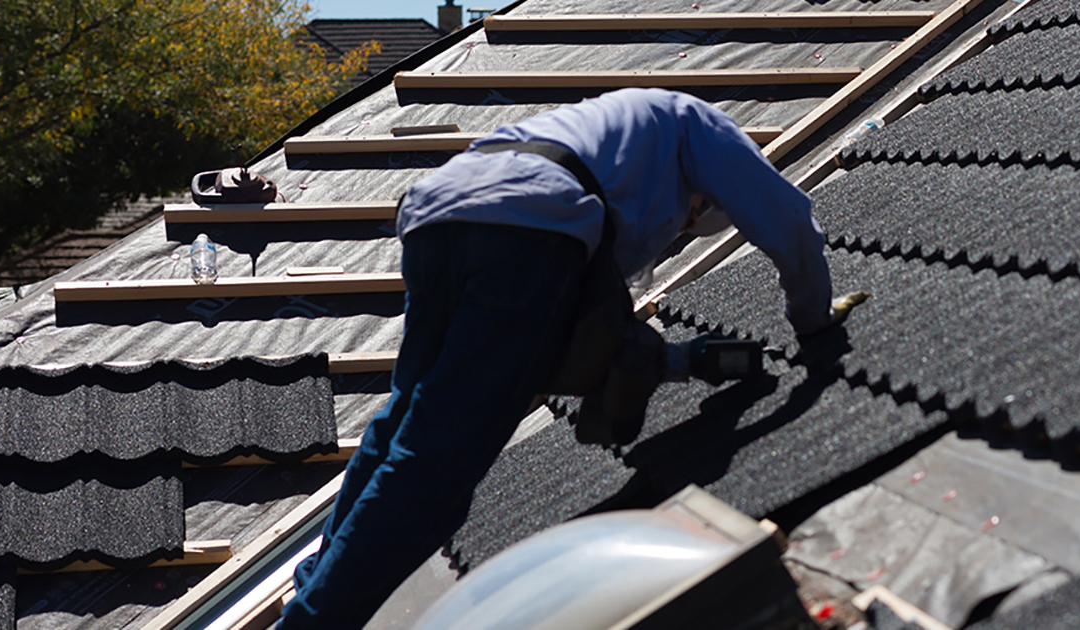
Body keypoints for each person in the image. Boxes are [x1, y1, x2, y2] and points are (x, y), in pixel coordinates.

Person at [280, 88, 862, 629]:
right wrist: (813, 323)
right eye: (689, 220)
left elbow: (587, 334)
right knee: (439, 462)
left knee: (403, 425)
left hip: (440, 213)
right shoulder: (700, 127)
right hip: (523, 227)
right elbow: (789, 222)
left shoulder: (620, 143)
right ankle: (315, 622)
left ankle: (316, 584)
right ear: (703, 196)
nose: (680, 231)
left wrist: (684, 361)